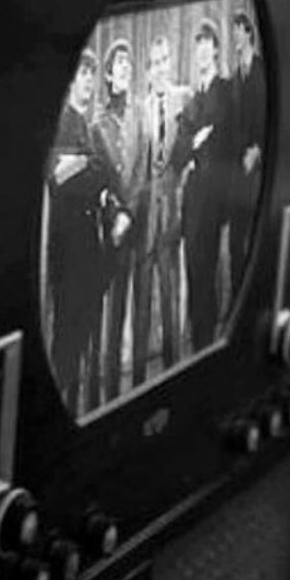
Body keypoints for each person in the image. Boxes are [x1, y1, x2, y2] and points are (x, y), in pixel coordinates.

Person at [45, 49, 107, 412]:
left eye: (90, 74)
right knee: (66, 340)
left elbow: (96, 174)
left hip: (86, 248)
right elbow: (59, 178)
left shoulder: (84, 124)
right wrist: (89, 165)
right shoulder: (62, 120)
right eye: (82, 73)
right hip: (67, 249)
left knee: (78, 336)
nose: (87, 80)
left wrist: (86, 165)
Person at [172, 18, 234, 353]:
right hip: (193, 199)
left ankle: (205, 345)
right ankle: (199, 344)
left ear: (215, 50)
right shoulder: (193, 100)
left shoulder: (223, 91)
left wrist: (194, 140)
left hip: (212, 199)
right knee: (194, 273)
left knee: (205, 273)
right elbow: (178, 153)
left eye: (206, 46)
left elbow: (222, 138)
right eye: (197, 48)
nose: (200, 53)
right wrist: (195, 138)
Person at [92, 38, 148, 403]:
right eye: (120, 64)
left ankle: (139, 391)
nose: (126, 68)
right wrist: (116, 216)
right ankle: (107, 395)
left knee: (135, 312)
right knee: (108, 321)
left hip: (137, 229)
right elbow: (99, 180)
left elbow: (142, 170)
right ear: (109, 75)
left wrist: (130, 214)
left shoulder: (141, 116)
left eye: (130, 63)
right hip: (108, 234)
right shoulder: (98, 125)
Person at [133, 35, 193, 375]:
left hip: (171, 215)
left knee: (170, 297)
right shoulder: (139, 109)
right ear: (148, 69)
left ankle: (173, 370)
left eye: (164, 60)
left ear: (170, 62)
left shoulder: (183, 100)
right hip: (144, 221)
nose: (159, 67)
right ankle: (139, 378)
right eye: (154, 63)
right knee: (142, 303)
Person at [227, 11, 266, 292]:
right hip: (237, 166)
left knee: (252, 233)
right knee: (235, 240)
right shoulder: (236, 74)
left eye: (237, 31)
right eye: (232, 33)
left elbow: (268, 116)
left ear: (248, 32)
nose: (234, 38)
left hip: (257, 164)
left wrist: (258, 151)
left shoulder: (261, 70)